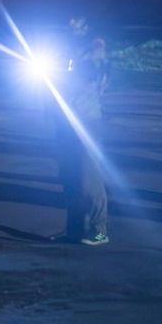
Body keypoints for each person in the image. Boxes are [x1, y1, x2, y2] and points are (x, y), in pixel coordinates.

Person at [51, 18, 110, 246]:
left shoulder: (96, 49)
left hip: (86, 118)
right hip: (65, 119)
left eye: (76, 20)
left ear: (86, 25)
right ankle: (74, 229)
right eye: (70, 20)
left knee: (88, 176)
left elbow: (95, 80)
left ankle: (99, 229)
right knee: (69, 174)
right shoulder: (65, 49)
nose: (71, 24)